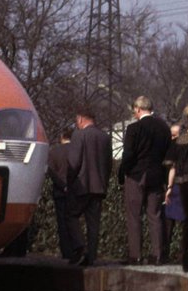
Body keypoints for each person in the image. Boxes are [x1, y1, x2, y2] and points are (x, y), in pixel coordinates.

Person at [117, 96, 172, 264]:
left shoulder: (134, 128)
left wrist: (121, 173)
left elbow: (128, 155)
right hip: (156, 175)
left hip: (136, 175)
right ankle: (158, 255)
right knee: (154, 215)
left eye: (134, 110)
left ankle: (136, 255)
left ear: (138, 109)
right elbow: (167, 155)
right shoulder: (164, 128)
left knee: (134, 215)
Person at [65, 107, 113, 266]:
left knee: (71, 216)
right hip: (99, 186)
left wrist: (69, 182)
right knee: (94, 223)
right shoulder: (105, 137)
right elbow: (108, 164)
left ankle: (80, 247)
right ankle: (91, 257)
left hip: (81, 185)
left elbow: (74, 162)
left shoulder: (79, 135)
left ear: (80, 119)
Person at [164, 105, 188, 273]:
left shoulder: (179, 140)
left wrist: (170, 187)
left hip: (183, 184)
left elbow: (173, 168)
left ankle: (185, 259)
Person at [48, 128, 78, 259]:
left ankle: (66, 251)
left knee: (62, 222)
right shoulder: (77, 150)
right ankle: (77, 248)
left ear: (61, 137)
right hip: (76, 191)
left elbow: (51, 172)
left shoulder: (54, 152)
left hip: (60, 191)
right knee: (74, 221)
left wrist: (62, 186)